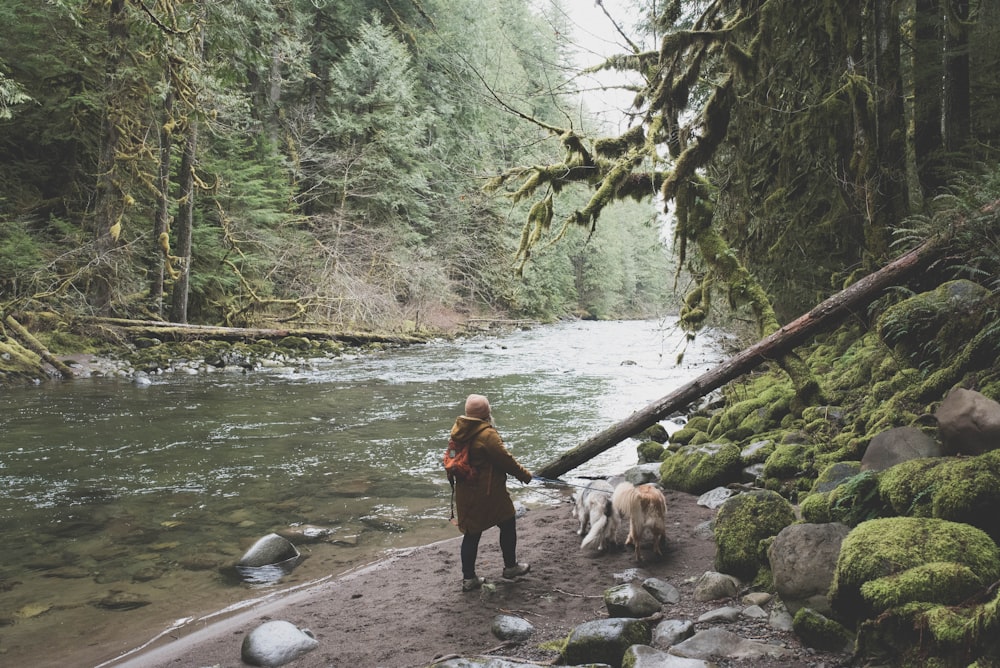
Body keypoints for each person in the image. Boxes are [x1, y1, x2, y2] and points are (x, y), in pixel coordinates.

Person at [448, 393, 533, 592]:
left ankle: (469, 579)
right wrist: (526, 476)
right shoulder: (488, 435)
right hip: (488, 493)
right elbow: (506, 460)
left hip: (464, 492)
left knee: (471, 534)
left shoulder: (457, 432)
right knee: (508, 522)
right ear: (487, 413)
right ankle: (510, 567)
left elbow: (451, 458)